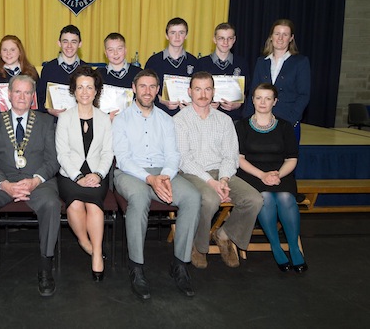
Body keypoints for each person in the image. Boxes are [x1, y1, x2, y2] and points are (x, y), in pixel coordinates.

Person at [0, 74, 60, 299]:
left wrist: (35, 180)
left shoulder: (46, 122)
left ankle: (45, 267)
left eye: (27, 92)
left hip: (37, 182)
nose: (22, 97)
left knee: (51, 204)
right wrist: (5, 185)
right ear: (9, 94)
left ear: (33, 96)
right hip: (3, 181)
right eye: (18, 92)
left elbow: (53, 161)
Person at [113, 69, 201, 299]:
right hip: (130, 173)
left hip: (163, 173)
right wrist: (149, 179)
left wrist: (165, 176)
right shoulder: (121, 119)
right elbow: (122, 158)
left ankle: (180, 264)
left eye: (152, 86)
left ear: (158, 90)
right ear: (134, 88)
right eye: (143, 86)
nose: (147, 91)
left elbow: (173, 154)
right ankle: (137, 267)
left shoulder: (165, 119)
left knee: (192, 197)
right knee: (140, 198)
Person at [174, 71, 263, 269]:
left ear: (213, 92)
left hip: (222, 172)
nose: (203, 94)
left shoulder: (224, 120)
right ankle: (199, 245)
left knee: (254, 200)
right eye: (198, 89)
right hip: (192, 174)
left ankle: (224, 235)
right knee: (210, 199)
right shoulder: (180, 120)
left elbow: (230, 155)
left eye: (207, 89)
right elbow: (184, 160)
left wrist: (223, 179)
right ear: (190, 92)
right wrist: (212, 182)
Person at [236, 83, 307, 273]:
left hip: (280, 173)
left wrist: (277, 175)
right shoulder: (241, 126)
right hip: (252, 174)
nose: (263, 102)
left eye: (268, 98)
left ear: (275, 101)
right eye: (258, 97)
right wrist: (262, 175)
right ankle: (276, 246)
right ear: (252, 100)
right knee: (265, 197)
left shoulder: (285, 126)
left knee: (285, 197)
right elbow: (239, 159)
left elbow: (292, 158)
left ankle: (294, 247)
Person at [55, 66, 113, 281]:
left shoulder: (104, 118)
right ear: (74, 91)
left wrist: (98, 174)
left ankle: (96, 252)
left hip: (98, 173)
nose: (85, 91)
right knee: (76, 203)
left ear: (96, 91)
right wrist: (78, 176)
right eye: (80, 87)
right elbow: (62, 154)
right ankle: (84, 241)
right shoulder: (64, 118)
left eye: (89, 87)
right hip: (70, 175)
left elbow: (108, 152)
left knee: (94, 204)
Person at [245, 19, 311, 141]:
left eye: (285, 34)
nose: (280, 38)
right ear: (271, 37)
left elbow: (304, 95)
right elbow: (252, 93)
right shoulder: (261, 62)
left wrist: (291, 120)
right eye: (277, 34)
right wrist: (246, 121)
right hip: (260, 123)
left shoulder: (300, 62)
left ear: (291, 38)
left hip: (287, 123)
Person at [195, 22, 249, 120]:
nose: (225, 42)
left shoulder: (242, 63)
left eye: (229, 38)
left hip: (234, 118)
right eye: (221, 38)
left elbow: (246, 91)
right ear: (214, 39)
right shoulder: (201, 63)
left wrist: (238, 103)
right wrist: (206, 102)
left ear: (234, 40)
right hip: (207, 117)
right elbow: (195, 91)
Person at [145, 17, 197, 116]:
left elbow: (198, 89)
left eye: (181, 32)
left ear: (186, 35)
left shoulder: (194, 62)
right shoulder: (153, 61)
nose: (177, 37)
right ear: (167, 35)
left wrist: (191, 103)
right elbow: (145, 89)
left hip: (187, 117)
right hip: (158, 116)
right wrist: (161, 100)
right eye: (173, 33)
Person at [0, 35, 39, 120]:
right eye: (4, 50)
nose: (8, 53)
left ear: (20, 52)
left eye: (12, 50)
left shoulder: (31, 72)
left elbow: (38, 101)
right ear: (0, 53)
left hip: (28, 123)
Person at [37, 25, 89, 118]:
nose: (69, 46)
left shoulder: (87, 69)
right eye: (65, 41)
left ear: (80, 44)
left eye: (74, 42)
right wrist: (49, 109)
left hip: (79, 122)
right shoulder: (48, 68)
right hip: (53, 123)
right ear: (59, 43)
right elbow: (40, 98)